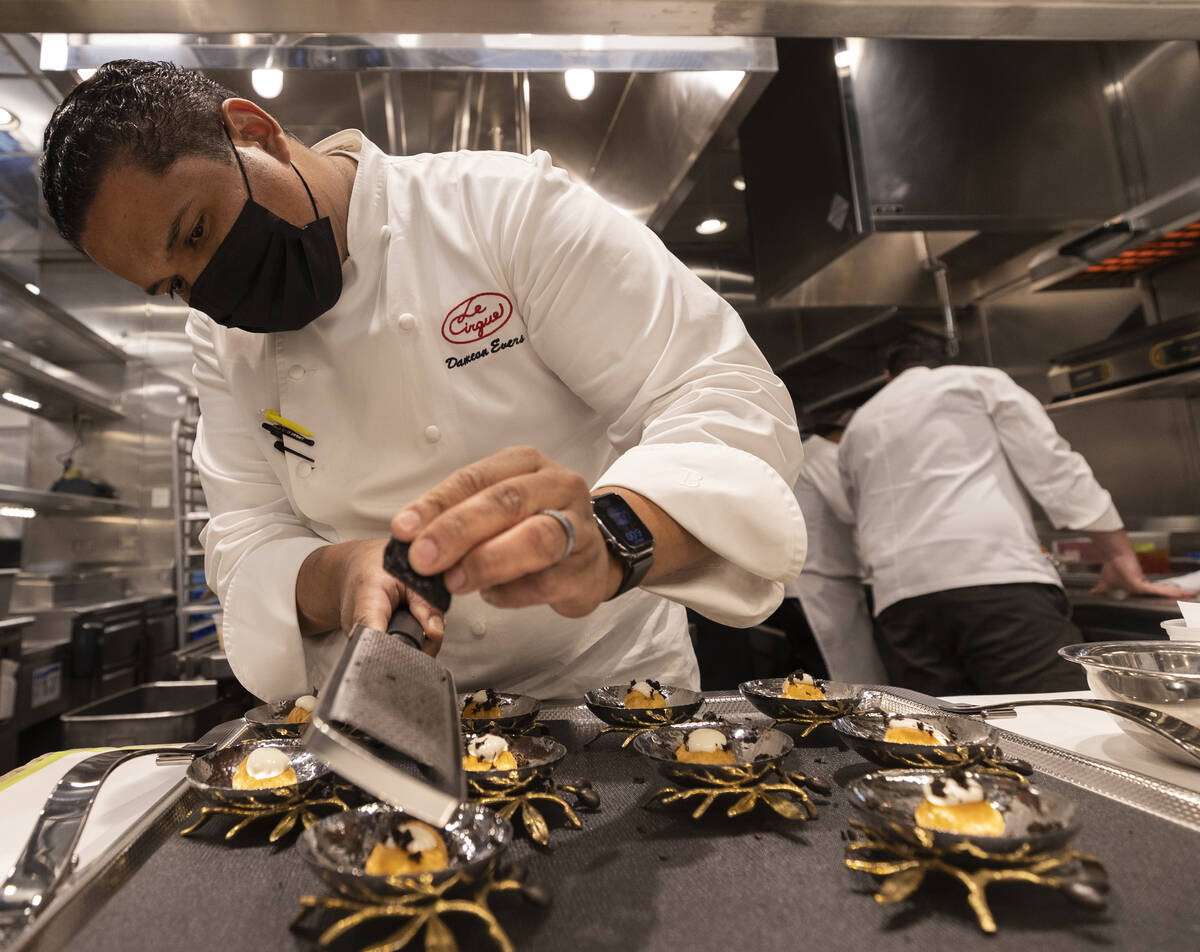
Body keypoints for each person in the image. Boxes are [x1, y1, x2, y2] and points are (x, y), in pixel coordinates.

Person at [40, 61, 807, 701]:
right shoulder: (221, 341)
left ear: (255, 131)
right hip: (403, 715)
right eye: (174, 284)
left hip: (609, 699)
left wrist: (610, 536)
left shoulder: (503, 210)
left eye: (199, 231)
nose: (209, 290)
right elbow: (245, 537)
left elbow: (721, 393)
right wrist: (342, 573)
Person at [838, 334, 1194, 695]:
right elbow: (1055, 470)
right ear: (943, 364)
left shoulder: (857, 427)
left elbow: (856, 515)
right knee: (1053, 718)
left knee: (942, 731)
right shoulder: (975, 382)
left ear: (888, 376)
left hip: (901, 604)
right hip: (996, 583)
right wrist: (1119, 556)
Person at [785, 414, 887, 684]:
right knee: (841, 680)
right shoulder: (823, 455)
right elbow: (855, 508)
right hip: (817, 587)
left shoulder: (810, 454)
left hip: (817, 583)